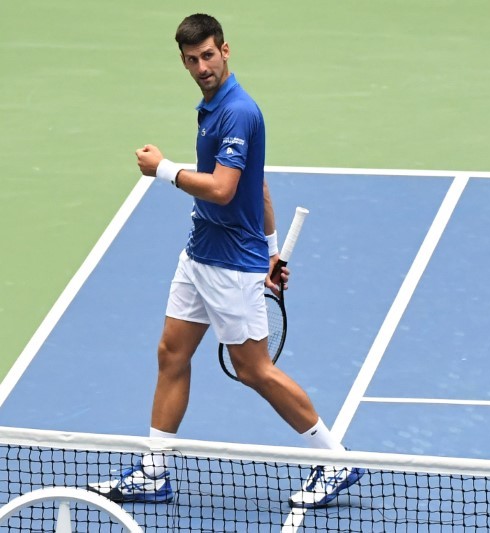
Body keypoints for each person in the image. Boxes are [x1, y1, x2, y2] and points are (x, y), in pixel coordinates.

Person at [87, 13, 363, 509]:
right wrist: (274, 249)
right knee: (172, 353)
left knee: (253, 369)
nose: (201, 67)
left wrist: (164, 169)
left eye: (208, 56)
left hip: (230, 266)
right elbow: (256, 183)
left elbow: (223, 188)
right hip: (199, 255)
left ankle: (335, 458)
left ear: (226, 50)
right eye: (192, 60)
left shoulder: (238, 112)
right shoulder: (211, 108)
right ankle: (154, 470)